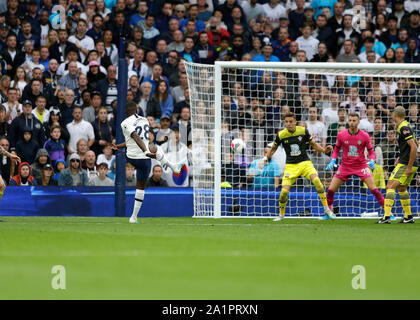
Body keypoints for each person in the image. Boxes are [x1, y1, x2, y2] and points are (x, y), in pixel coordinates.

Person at [111, 102, 185, 223]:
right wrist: (145, 151)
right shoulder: (144, 119)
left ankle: (133, 218)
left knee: (140, 186)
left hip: (133, 156)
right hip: (145, 159)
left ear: (125, 112)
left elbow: (135, 137)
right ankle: (173, 166)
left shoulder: (124, 123)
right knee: (153, 148)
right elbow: (136, 138)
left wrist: (120, 147)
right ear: (137, 109)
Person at [265, 112, 335, 221]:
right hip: (290, 166)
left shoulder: (303, 131)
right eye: (286, 122)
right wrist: (265, 159)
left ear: (295, 122)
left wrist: (324, 150)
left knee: (317, 181)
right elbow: (273, 149)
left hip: (305, 163)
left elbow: (313, 144)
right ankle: (281, 215)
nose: (288, 124)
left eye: (291, 122)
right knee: (283, 193)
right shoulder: (281, 135)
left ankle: (327, 209)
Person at [324, 113, 385, 220]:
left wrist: (372, 160)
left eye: (354, 121)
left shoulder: (365, 135)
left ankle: (388, 213)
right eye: (350, 120)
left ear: (358, 122)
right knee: (330, 190)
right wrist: (333, 159)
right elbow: (336, 149)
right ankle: (328, 213)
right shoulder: (341, 135)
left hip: (361, 166)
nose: (352, 123)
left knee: (374, 189)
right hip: (345, 166)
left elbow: (371, 151)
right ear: (348, 122)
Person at [377, 106, 419, 224]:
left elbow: (414, 146)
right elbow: (416, 142)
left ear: (395, 114)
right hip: (409, 161)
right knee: (402, 188)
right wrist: (402, 155)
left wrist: (409, 166)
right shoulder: (408, 125)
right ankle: (408, 216)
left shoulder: (403, 127)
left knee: (390, 186)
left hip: (407, 164)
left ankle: (386, 217)